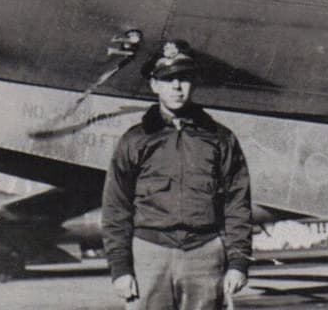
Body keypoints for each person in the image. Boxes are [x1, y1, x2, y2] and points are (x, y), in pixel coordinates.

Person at [102, 39, 252, 309]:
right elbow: (116, 207)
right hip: (149, 254)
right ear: (154, 85)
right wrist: (120, 268)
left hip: (204, 254)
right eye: (167, 79)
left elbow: (237, 204)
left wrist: (238, 262)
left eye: (183, 78)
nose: (176, 86)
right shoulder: (135, 140)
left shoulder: (220, 139)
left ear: (193, 82)